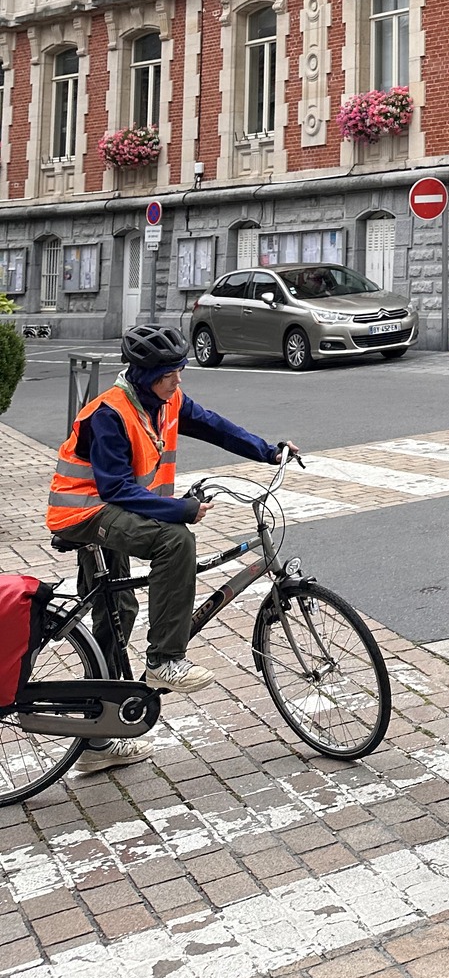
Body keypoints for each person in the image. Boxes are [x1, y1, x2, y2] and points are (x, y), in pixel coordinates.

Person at [46, 321, 295, 776]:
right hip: (85, 513)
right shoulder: (110, 413)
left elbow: (215, 427)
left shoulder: (167, 400)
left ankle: (97, 737)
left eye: (179, 371)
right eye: (169, 373)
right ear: (143, 376)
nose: (178, 380)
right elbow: (116, 488)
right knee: (175, 540)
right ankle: (165, 660)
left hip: (115, 510)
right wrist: (179, 511)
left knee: (117, 611)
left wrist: (268, 451)